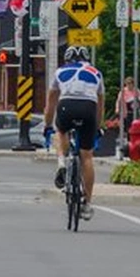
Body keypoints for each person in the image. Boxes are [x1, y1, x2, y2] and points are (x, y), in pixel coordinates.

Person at [44, 45, 104, 220]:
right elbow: (100, 106)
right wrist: (97, 127)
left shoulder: (60, 72)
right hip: (88, 107)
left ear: (66, 59)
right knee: (87, 157)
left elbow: (50, 104)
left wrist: (47, 125)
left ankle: (62, 163)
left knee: (61, 131)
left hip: (67, 105)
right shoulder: (96, 73)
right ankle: (87, 204)